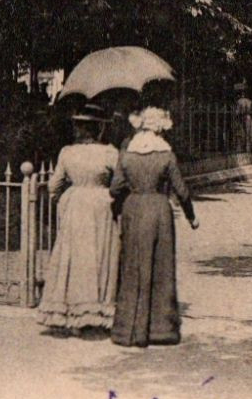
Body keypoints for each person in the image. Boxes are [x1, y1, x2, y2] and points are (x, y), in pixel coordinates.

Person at [110, 107, 197, 348]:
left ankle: (127, 329)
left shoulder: (128, 154)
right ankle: (160, 329)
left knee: (132, 265)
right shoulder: (166, 155)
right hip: (159, 210)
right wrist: (192, 217)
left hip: (133, 209)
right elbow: (181, 190)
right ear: (160, 128)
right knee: (160, 267)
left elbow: (115, 188)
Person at [37, 105, 121, 335]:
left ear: (82, 129)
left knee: (74, 258)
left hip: (76, 204)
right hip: (101, 204)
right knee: (100, 256)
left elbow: (54, 185)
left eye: (78, 126)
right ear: (100, 129)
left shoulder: (68, 153)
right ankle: (100, 313)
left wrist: (60, 200)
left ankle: (72, 314)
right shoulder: (109, 153)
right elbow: (120, 183)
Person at [231, 83, 252, 155]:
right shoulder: (249, 101)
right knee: (250, 133)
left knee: (243, 133)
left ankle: (245, 148)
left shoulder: (239, 101)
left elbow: (237, 112)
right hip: (249, 117)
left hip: (243, 118)